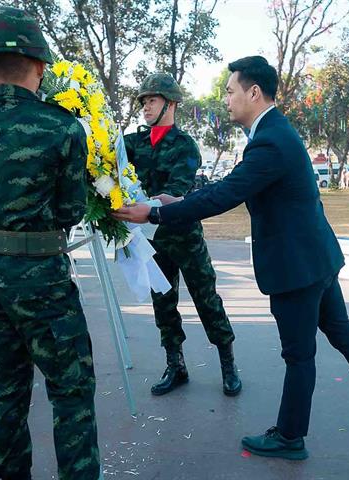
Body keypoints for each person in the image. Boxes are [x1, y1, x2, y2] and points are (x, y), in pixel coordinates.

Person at [113, 56, 349, 460]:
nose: (227, 99)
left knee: (300, 354)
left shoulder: (270, 140)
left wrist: (158, 212)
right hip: (315, 258)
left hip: (296, 268)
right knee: (344, 335)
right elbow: (231, 184)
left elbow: (226, 194)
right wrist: (179, 200)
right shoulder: (273, 133)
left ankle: (290, 437)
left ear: (254, 92)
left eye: (231, 91)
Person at [0, 7, 100, 479]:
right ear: (40, 64)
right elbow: (72, 209)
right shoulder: (64, 128)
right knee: (71, 394)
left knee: (8, 391)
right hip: (44, 285)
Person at [124, 73, 241, 397]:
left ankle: (228, 364)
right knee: (163, 302)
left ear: (171, 103)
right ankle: (176, 365)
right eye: (144, 101)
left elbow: (175, 190)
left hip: (184, 234)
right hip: (153, 239)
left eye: (153, 100)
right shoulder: (133, 143)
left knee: (206, 299)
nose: (146, 106)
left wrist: (146, 205)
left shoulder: (185, 146)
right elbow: (111, 162)